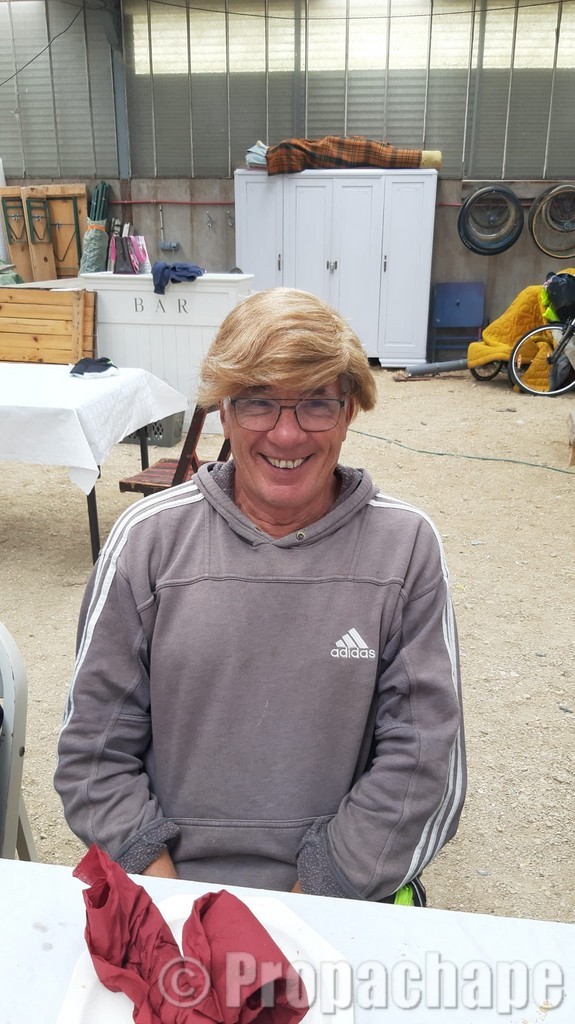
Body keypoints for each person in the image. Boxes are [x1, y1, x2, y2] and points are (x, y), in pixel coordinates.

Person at [55, 287, 466, 904]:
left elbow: (424, 761)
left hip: (336, 899)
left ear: (350, 411)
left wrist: (306, 906)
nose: (287, 433)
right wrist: (178, 907)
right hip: (169, 888)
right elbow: (94, 752)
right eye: (258, 402)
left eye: (317, 403)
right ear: (222, 409)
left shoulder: (404, 548)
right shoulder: (147, 541)